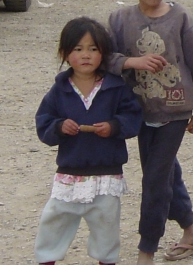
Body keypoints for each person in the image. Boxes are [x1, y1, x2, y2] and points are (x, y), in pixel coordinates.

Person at [106, 0, 193, 265]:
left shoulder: (180, 18)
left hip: (176, 113)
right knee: (166, 174)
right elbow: (105, 59)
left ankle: (146, 251)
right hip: (140, 112)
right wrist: (133, 61)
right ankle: (191, 231)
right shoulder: (120, 20)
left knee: (154, 180)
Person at [34, 17, 144, 265]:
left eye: (93, 49)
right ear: (64, 53)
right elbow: (43, 124)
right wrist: (60, 127)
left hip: (106, 174)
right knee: (55, 220)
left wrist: (114, 127)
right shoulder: (59, 90)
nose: (86, 55)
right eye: (78, 49)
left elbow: (133, 117)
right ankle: (46, 260)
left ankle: (106, 261)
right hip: (69, 173)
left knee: (106, 226)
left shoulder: (116, 88)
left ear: (104, 54)